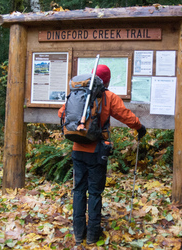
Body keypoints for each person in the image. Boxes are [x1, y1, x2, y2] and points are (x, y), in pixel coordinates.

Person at [58, 64, 146, 245]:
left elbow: (62, 113)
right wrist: (140, 127)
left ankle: (78, 233)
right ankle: (92, 236)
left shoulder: (78, 94)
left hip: (77, 149)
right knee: (95, 193)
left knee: (79, 190)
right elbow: (125, 115)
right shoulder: (108, 97)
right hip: (97, 152)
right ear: (106, 80)